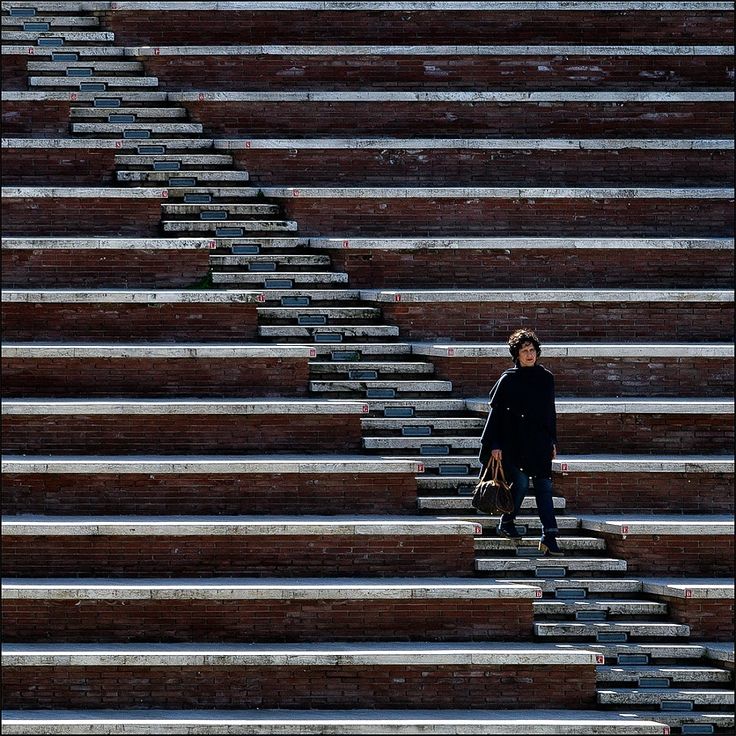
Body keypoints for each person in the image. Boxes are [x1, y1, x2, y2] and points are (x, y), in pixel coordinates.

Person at [478, 329, 563, 556]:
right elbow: (496, 415)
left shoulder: (546, 379)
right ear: (516, 354)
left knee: (544, 488)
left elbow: (550, 413)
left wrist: (552, 441)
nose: (529, 354)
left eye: (532, 350)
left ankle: (549, 536)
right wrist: (494, 444)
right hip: (514, 443)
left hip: (540, 443)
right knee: (522, 483)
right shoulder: (508, 380)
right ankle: (507, 522)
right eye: (524, 351)